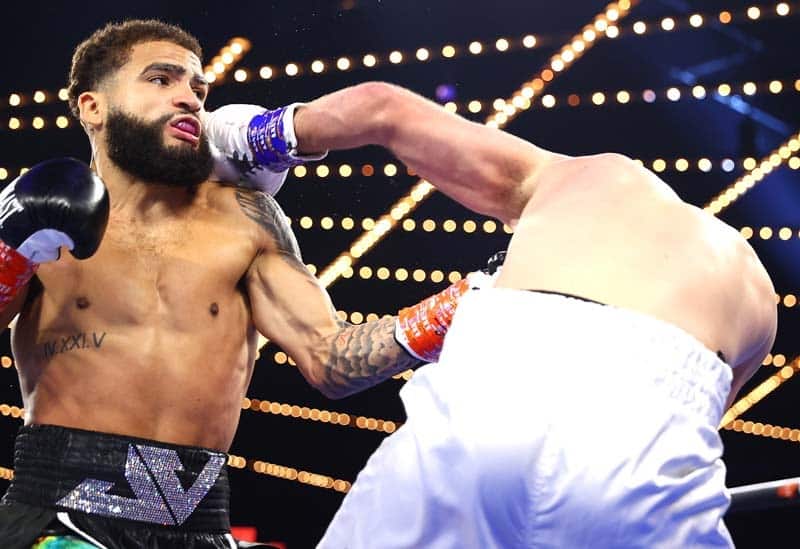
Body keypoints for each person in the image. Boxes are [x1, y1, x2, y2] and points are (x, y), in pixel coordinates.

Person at [0, 21, 487, 549]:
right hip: (59, 521)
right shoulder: (34, 215)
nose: (188, 99)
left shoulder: (246, 220)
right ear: (92, 106)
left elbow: (331, 360)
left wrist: (468, 304)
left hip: (201, 526)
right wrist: (10, 256)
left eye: (197, 89)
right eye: (161, 80)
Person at [258, 84, 774, 546]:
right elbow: (703, 423)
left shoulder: (586, 175)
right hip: (645, 441)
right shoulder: (756, 287)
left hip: (493, 409)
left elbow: (381, 106)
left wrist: (242, 137)